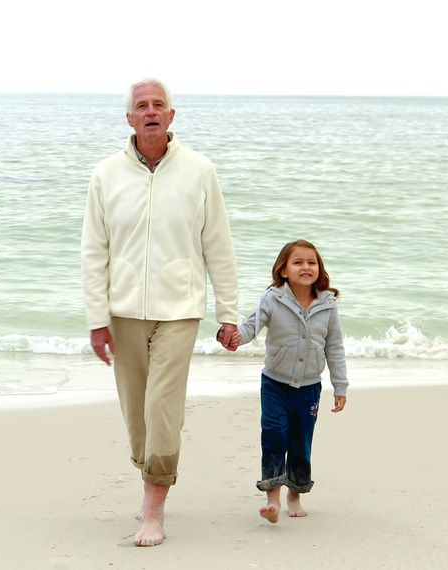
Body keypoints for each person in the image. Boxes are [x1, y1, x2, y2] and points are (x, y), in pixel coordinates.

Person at [81, 78, 239, 547]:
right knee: (136, 415)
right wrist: (97, 319)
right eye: (141, 106)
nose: (150, 111)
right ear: (129, 118)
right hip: (124, 311)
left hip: (180, 310)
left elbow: (219, 246)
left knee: (162, 407)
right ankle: (150, 476)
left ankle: (154, 508)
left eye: (159, 105)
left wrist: (227, 313)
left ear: (172, 116)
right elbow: (94, 251)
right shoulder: (106, 175)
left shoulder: (199, 171)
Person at [220, 239, 348, 523]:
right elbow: (252, 326)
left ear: (319, 268)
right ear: (284, 270)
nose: (306, 267)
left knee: (300, 441)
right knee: (274, 435)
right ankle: (273, 499)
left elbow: (335, 347)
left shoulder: (327, 304)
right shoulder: (273, 298)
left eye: (311, 262)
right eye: (298, 262)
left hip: (310, 387)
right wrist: (235, 336)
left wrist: (340, 386)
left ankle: (295, 493)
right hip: (275, 384)